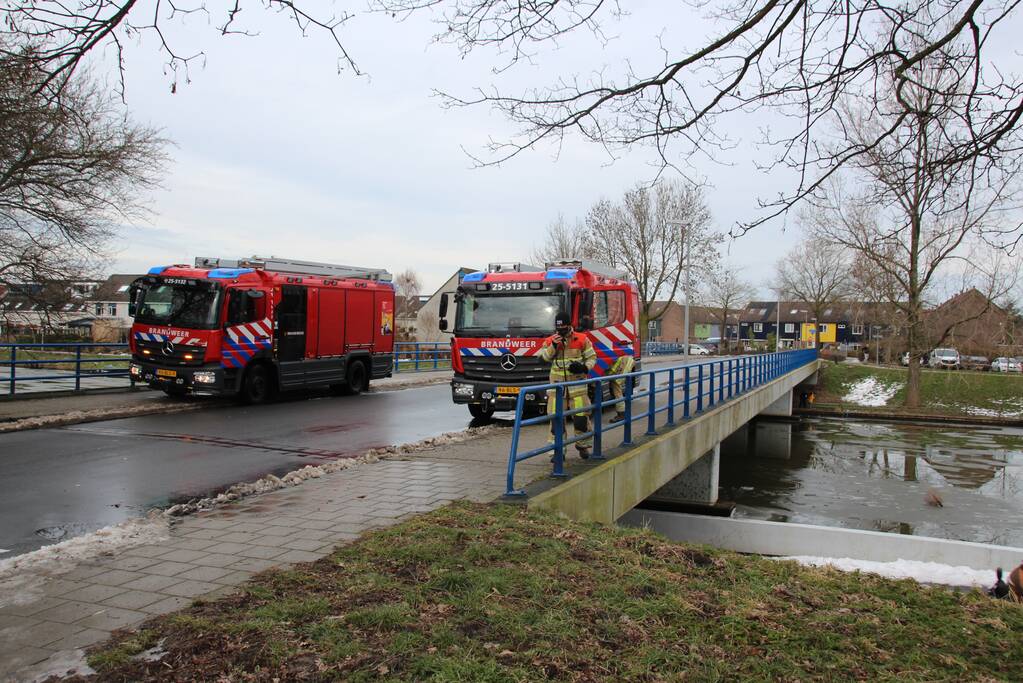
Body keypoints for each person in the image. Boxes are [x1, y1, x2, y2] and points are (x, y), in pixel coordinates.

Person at [539, 314, 597, 458]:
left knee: (581, 419)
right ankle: (558, 452)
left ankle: (583, 446)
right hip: (557, 390)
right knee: (556, 421)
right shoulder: (550, 341)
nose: (561, 332)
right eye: (558, 329)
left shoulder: (582, 339)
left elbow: (592, 358)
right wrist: (553, 346)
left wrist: (583, 368)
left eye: (563, 328)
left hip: (577, 388)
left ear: (569, 325)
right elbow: (542, 359)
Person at [608, 352, 636, 423]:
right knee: (620, 393)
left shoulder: (619, 360)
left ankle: (621, 415)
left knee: (617, 393)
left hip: (620, 376)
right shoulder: (627, 357)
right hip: (626, 372)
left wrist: (608, 375)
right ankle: (623, 414)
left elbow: (613, 370)